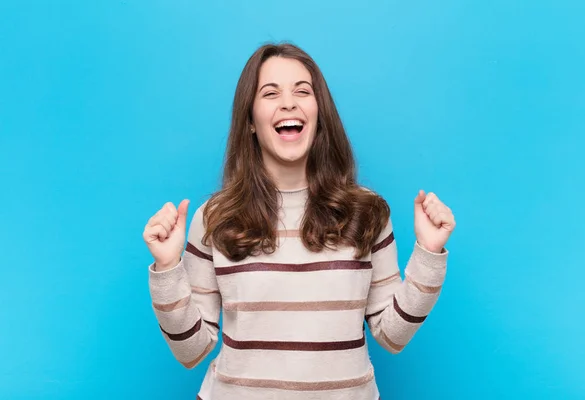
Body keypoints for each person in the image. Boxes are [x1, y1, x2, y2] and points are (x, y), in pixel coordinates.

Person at [142, 42, 456, 400]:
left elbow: (392, 335)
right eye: (270, 92)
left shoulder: (367, 212)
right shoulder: (215, 218)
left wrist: (430, 254)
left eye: (302, 91)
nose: (288, 102)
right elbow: (190, 351)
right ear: (249, 121)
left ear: (319, 114)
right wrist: (167, 268)